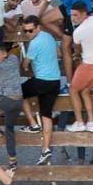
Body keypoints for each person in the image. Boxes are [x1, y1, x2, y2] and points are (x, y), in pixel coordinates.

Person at [39, 0, 91, 81]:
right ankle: (67, 37)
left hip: (76, 8)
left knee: (65, 47)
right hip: (69, 4)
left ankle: (70, 82)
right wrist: (38, 17)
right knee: (44, 19)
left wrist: (35, 16)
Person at [20, 16, 61, 166]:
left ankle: (32, 124)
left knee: (19, 93)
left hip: (41, 81)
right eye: (25, 31)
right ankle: (45, 149)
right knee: (46, 114)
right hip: (55, 81)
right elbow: (59, 53)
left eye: (30, 30)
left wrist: (25, 66)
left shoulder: (34, 44)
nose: (28, 33)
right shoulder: (49, 37)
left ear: (38, 27)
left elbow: (25, 64)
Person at [66, 2, 93, 132]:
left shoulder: (78, 31)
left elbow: (77, 50)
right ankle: (91, 123)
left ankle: (79, 122)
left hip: (88, 65)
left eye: (76, 15)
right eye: (71, 15)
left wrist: (77, 52)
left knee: (73, 90)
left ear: (84, 14)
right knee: (85, 91)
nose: (73, 18)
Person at [0, 44, 24, 170]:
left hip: (7, 101)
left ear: (4, 54)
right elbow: (13, 52)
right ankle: (13, 161)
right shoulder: (13, 59)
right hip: (18, 103)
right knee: (9, 131)